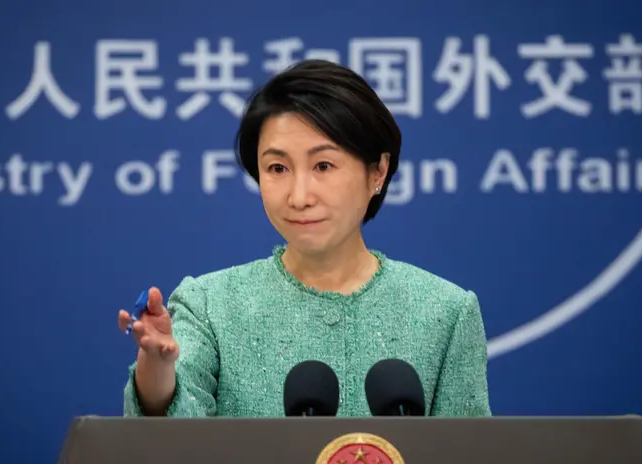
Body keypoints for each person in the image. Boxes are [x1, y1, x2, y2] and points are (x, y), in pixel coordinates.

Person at [117, 59, 491, 418]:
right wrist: (158, 368)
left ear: (378, 170)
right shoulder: (210, 305)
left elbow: (470, 450)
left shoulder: (446, 312)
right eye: (277, 168)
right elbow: (174, 434)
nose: (299, 196)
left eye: (323, 166)